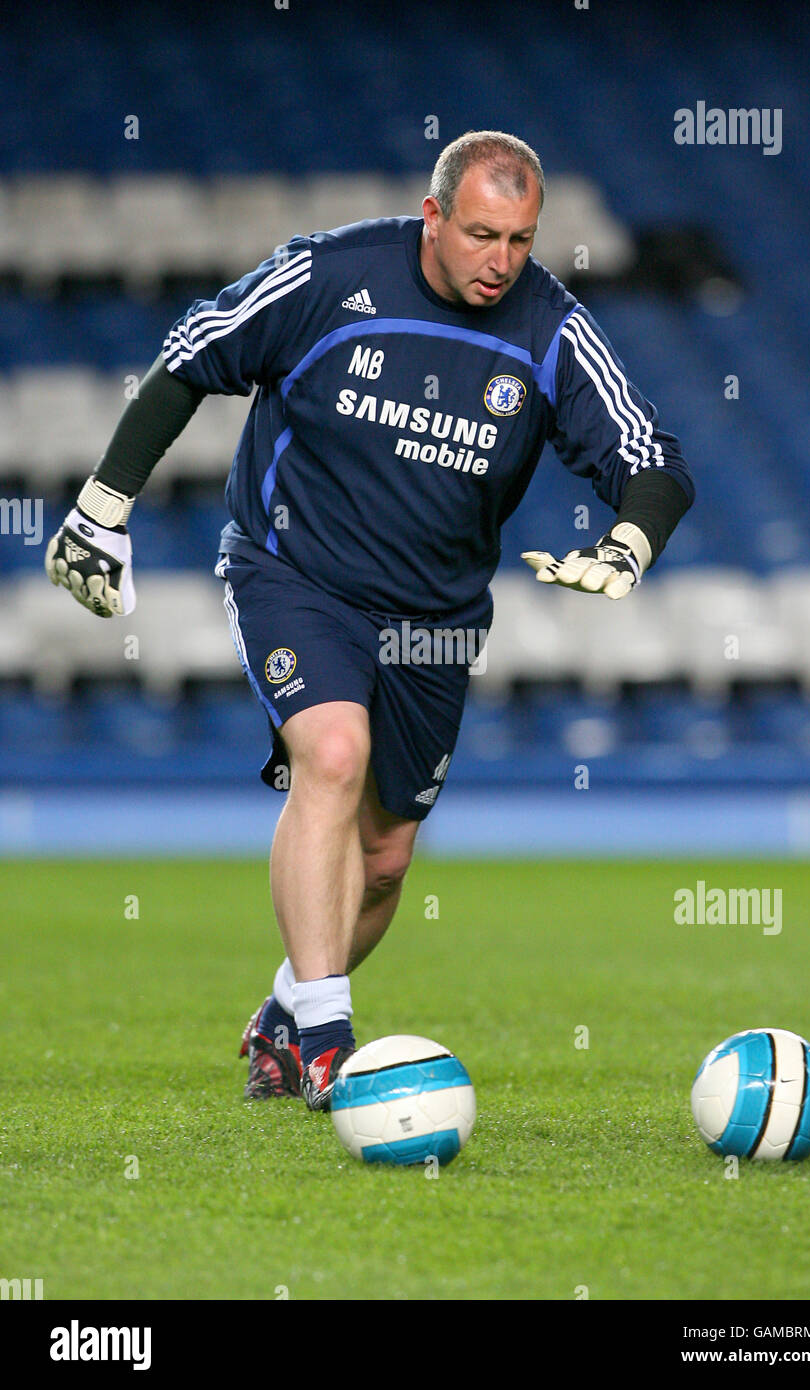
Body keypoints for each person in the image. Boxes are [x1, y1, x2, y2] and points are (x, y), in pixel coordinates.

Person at [45, 130, 695, 1111]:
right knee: (333, 755)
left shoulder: (548, 327)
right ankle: (325, 1045)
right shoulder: (327, 274)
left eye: (520, 240)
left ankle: (284, 1008)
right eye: (481, 233)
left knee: (385, 860)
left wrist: (625, 547)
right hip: (294, 574)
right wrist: (103, 505)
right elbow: (191, 351)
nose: (500, 260)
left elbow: (651, 456)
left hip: (433, 618)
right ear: (432, 215)